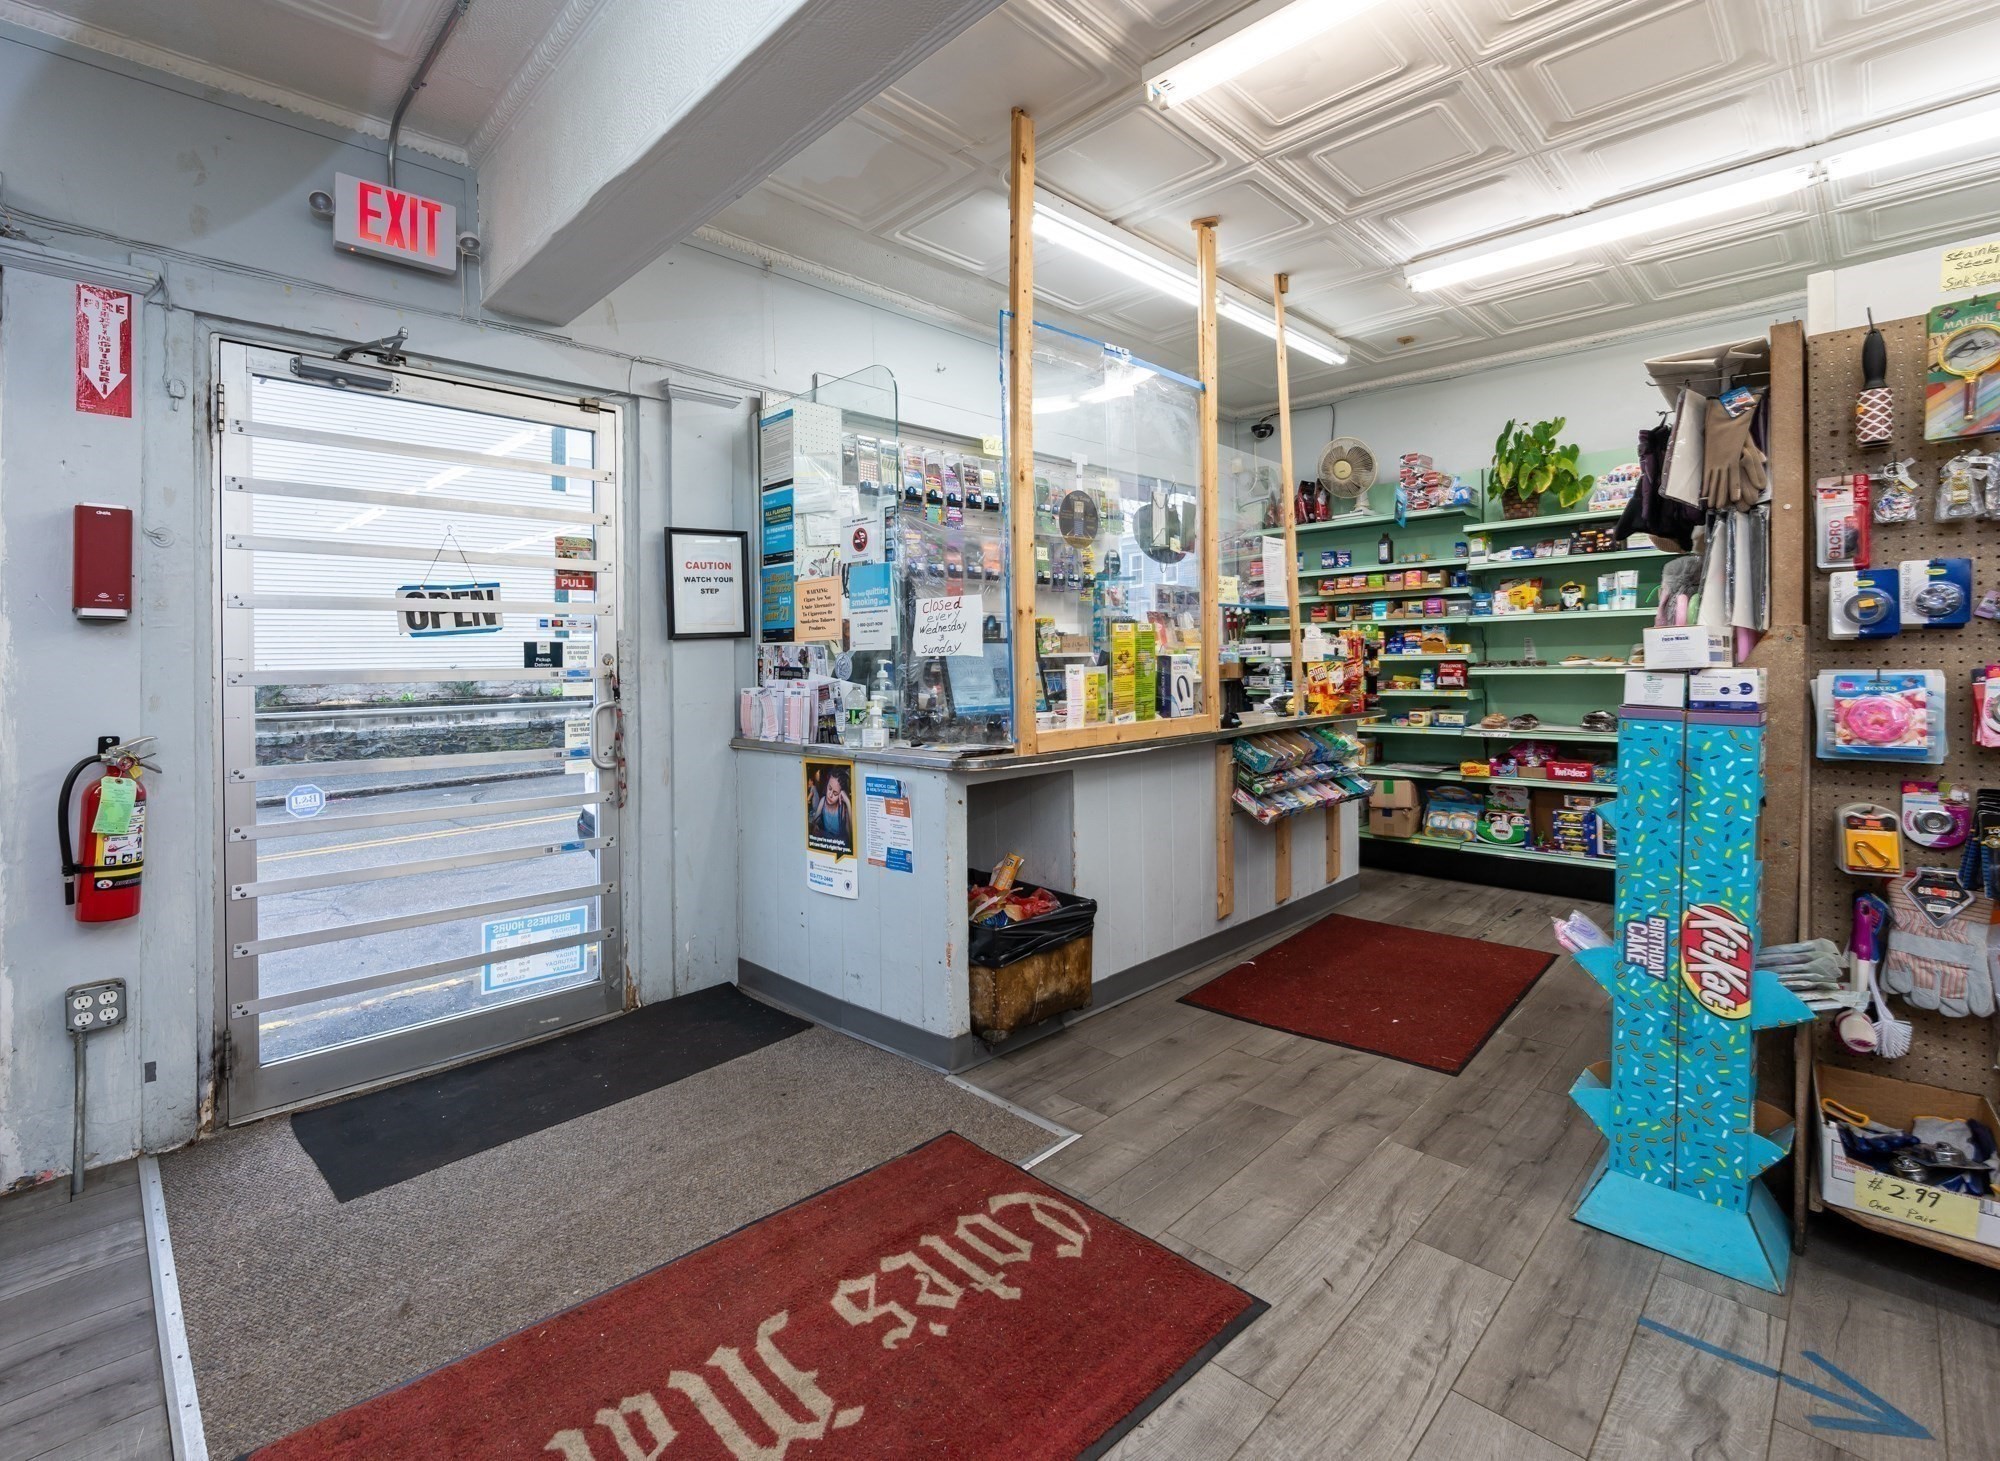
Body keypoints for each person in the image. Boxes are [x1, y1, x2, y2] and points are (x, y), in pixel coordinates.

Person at [809, 767, 853, 850]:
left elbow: (851, 838)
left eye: (835, 793)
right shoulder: (823, 801)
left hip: (838, 848)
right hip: (826, 846)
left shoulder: (843, 809)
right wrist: (815, 826)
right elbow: (814, 823)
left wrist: (848, 803)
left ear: (841, 794)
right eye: (829, 788)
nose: (830, 795)